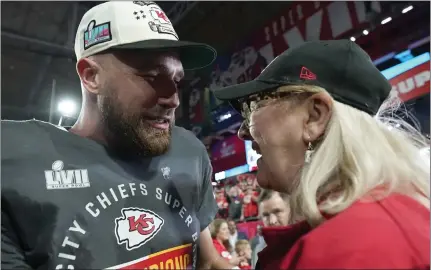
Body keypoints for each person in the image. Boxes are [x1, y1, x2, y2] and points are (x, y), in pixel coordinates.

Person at [1, 2, 237, 270]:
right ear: (91, 76)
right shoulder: (15, 165)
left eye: (176, 80)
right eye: (152, 76)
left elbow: (208, 261)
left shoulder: (189, 152)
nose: (173, 99)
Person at [213, 40, 430, 269]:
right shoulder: (375, 222)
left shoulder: (346, 249)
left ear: (315, 116)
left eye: (253, 107)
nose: (242, 132)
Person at [251, 190, 290, 268]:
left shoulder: (306, 246)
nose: (272, 221)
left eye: (277, 212)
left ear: (291, 210)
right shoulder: (259, 251)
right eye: (266, 215)